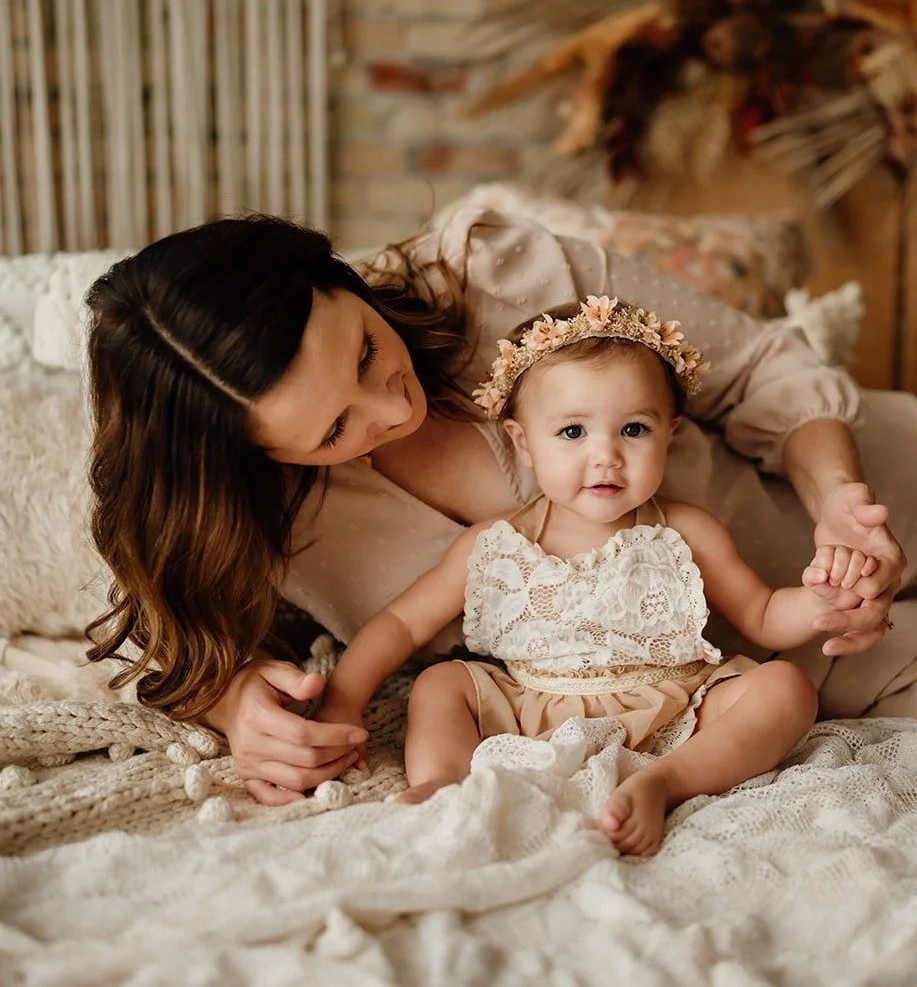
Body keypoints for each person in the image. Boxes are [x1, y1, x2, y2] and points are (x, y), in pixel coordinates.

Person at [83, 205, 917, 808]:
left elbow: (770, 372)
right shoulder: (265, 517)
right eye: (330, 431)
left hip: (877, 500)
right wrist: (243, 701)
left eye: (361, 357)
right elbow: (195, 644)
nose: (383, 415)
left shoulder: (498, 269)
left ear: (336, 278)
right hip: (783, 653)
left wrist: (841, 509)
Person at [313, 296, 877, 854]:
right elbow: (402, 625)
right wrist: (342, 702)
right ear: (522, 441)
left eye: (633, 430)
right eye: (572, 432)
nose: (605, 455)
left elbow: (762, 615)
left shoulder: (685, 532)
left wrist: (824, 597)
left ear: (670, 433)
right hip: (530, 708)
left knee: (785, 687)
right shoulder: (493, 544)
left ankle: (665, 782)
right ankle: (443, 782)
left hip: (674, 709)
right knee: (440, 684)